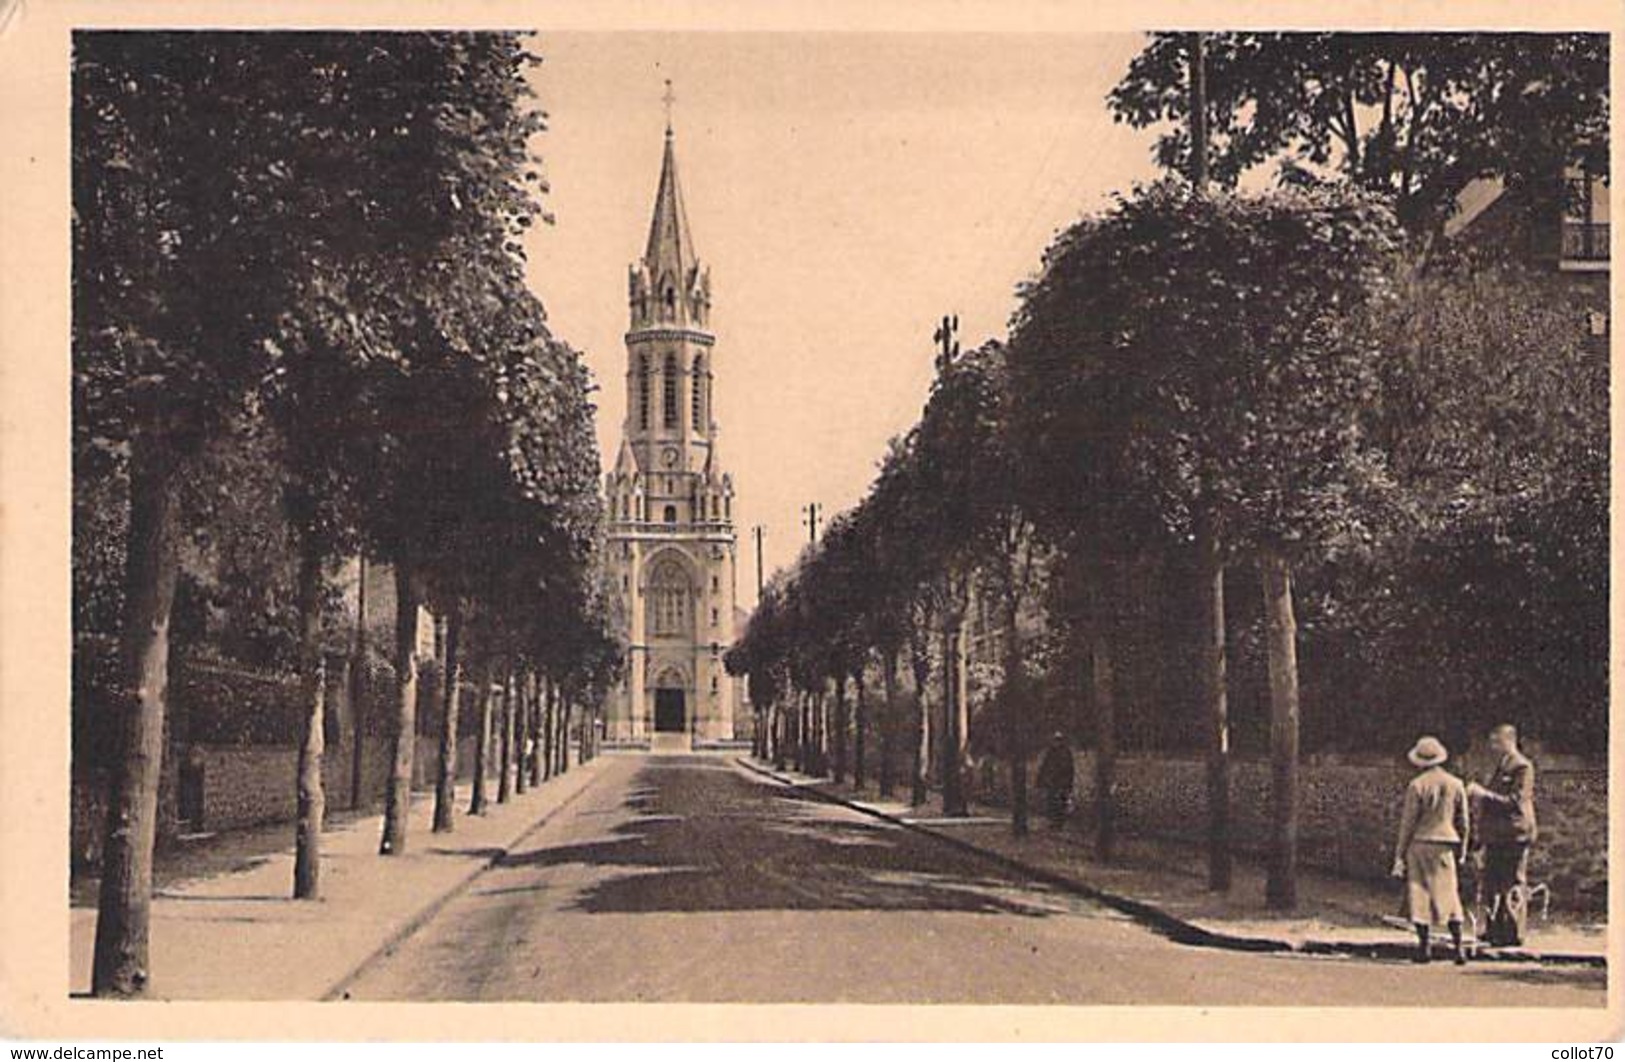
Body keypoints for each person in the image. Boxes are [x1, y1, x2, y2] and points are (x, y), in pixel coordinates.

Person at [1392, 736, 1470, 965]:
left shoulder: (1417, 785)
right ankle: (1458, 948)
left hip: (1420, 844)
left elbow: (1408, 823)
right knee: (1449, 896)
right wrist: (1463, 849)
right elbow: (1464, 821)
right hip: (1446, 845)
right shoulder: (1456, 784)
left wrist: (1399, 854)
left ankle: (1424, 948)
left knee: (1420, 896)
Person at [1468, 723, 1537, 947]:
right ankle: (1494, 930)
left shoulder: (1523, 767)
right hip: (1498, 835)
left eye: (1497, 742)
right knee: (1493, 882)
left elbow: (1515, 801)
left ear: (1510, 740)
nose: (1493, 747)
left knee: (1513, 882)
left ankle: (1514, 933)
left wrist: (1483, 793)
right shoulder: (1503, 765)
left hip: (1514, 833)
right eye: (1492, 743)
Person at [1035, 731, 1075, 829]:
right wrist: (1040, 780)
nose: (1056, 742)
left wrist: (1068, 782)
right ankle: (1054, 821)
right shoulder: (1050, 752)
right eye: (1055, 740)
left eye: (1058, 740)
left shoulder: (1065, 752)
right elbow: (1045, 766)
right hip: (1052, 782)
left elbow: (1068, 768)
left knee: (1060, 802)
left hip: (1061, 782)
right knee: (1052, 801)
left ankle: (1059, 823)